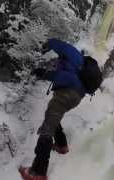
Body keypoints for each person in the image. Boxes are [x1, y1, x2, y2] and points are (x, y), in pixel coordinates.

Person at [19, 39, 88, 180]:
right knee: (52, 116)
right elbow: (58, 76)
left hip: (67, 93)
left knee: (47, 128)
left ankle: (38, 172)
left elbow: (59, 45)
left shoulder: (71, 52)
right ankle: (61, 145)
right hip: (75, 95)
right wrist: (43, 73)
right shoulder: (73, 66)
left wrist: (47, 43)